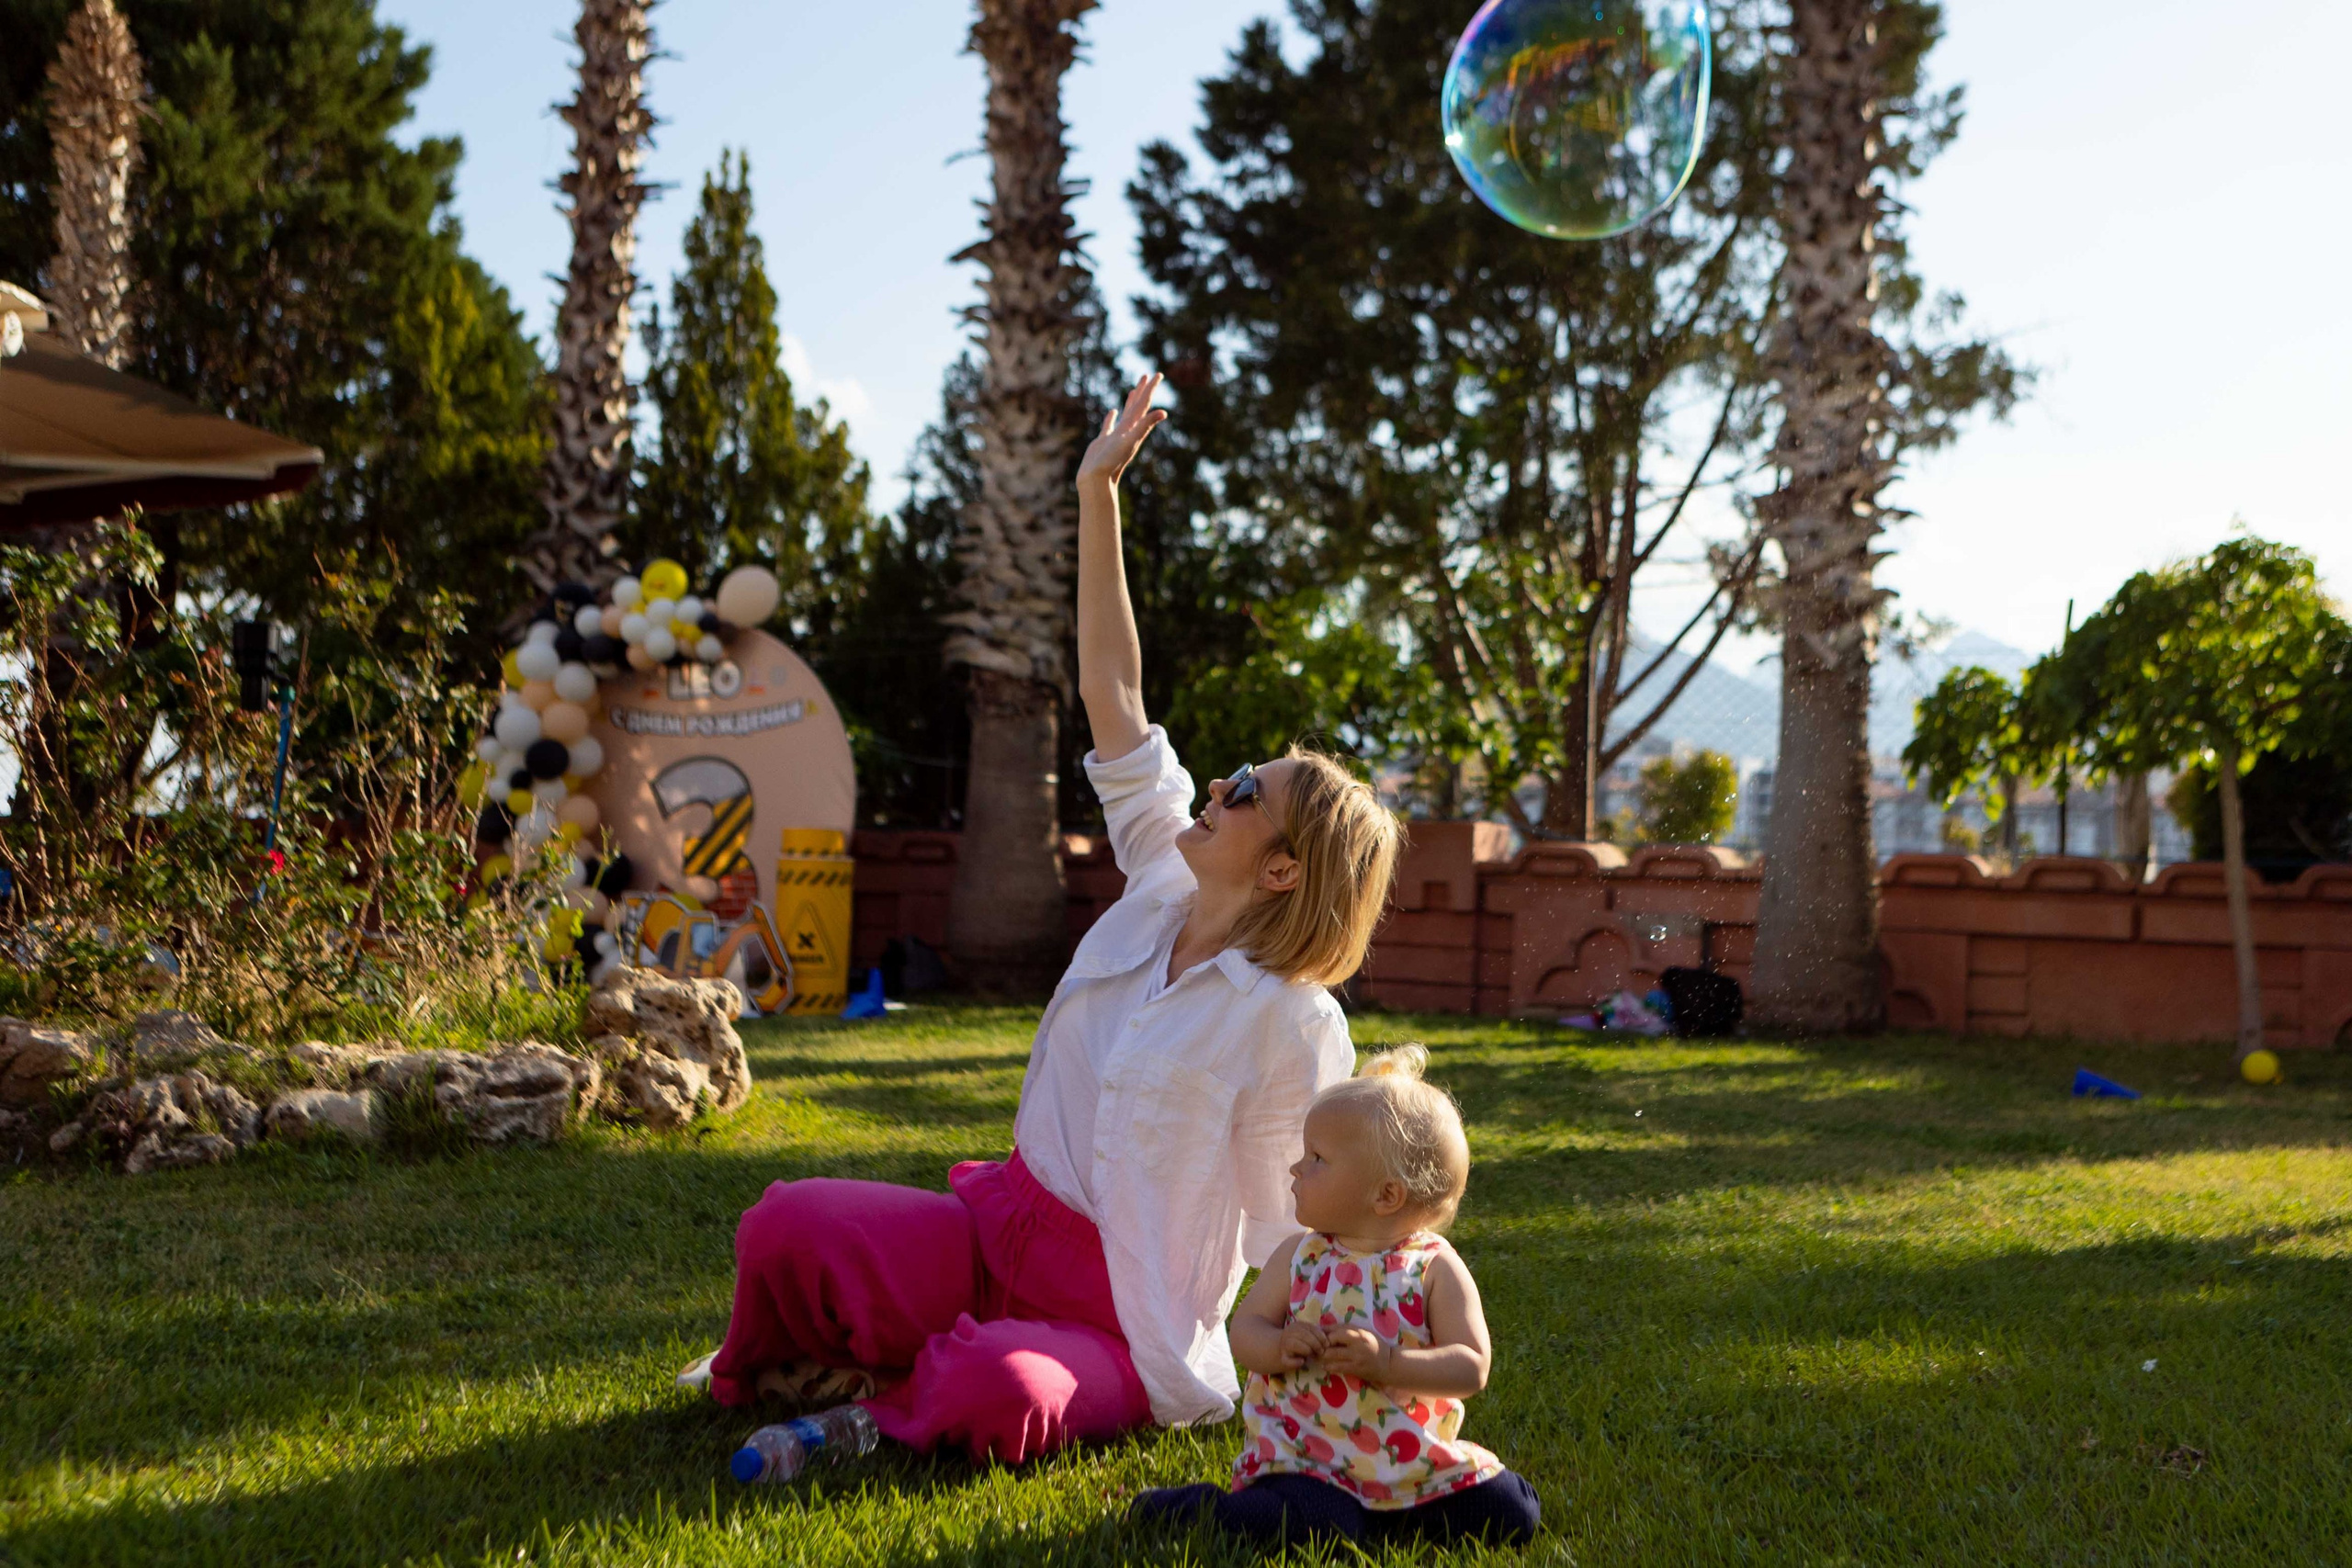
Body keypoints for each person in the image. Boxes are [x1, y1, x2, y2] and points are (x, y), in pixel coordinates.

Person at [679, 372, 1405, 1467]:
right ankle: (778, 1368)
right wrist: (1096, 497)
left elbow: (1298, 1221)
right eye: (1233, 774)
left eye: (1247, 790)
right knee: (788, 1220)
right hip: (992, 1227)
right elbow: (1115, 694)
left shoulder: (1292, 1026)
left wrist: (1339, 1339)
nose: (1218, 787)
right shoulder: (1164, 872)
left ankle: (864, 1416)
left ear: (1281, 876)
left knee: (1001, 1386)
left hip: (1113, 1316)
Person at [1129, 1046, 1541, 1550]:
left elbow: (1471, 1366)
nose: (1296, 1169)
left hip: (1410, 1462)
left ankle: (1390, 1515)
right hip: (1307, 1460)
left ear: (1385, 1196)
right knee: (1318, 1527)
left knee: (1511, 1508)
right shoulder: (1300, 1256)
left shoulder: (1435, 1267)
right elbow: (1246, 1331)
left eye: (1317, 1158)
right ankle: (1198, 1509)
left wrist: (1388, 1363)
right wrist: (1278, 1347)